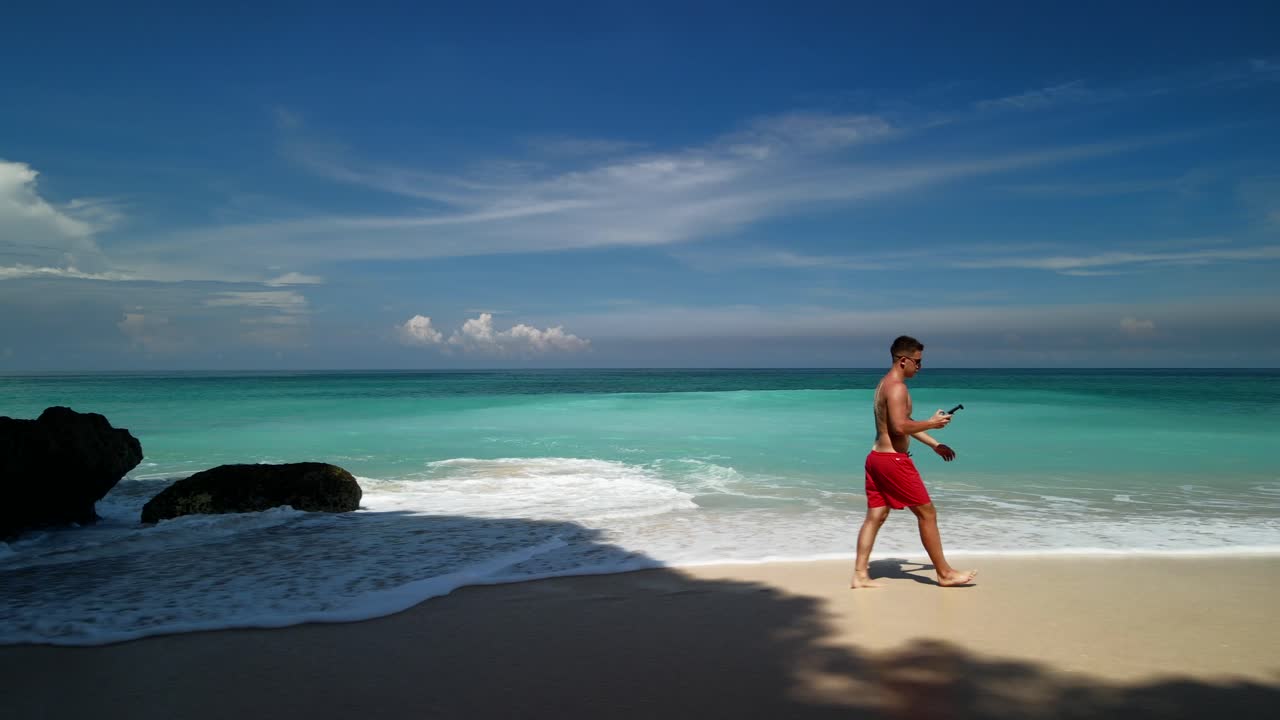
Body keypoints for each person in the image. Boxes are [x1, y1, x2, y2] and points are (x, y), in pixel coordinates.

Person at [852, 335, 977, 588]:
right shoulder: (898, 388)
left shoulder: (884, 385)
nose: (920, 367)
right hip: (893, 461)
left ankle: (859, 574)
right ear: (903, 360)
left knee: (876, 515)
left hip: (876, 458)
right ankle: (944, 573)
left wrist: (934, 444)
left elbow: (900, 423)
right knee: (927, 513)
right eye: (917, 362)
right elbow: (900, 427)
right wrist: (932, 423)